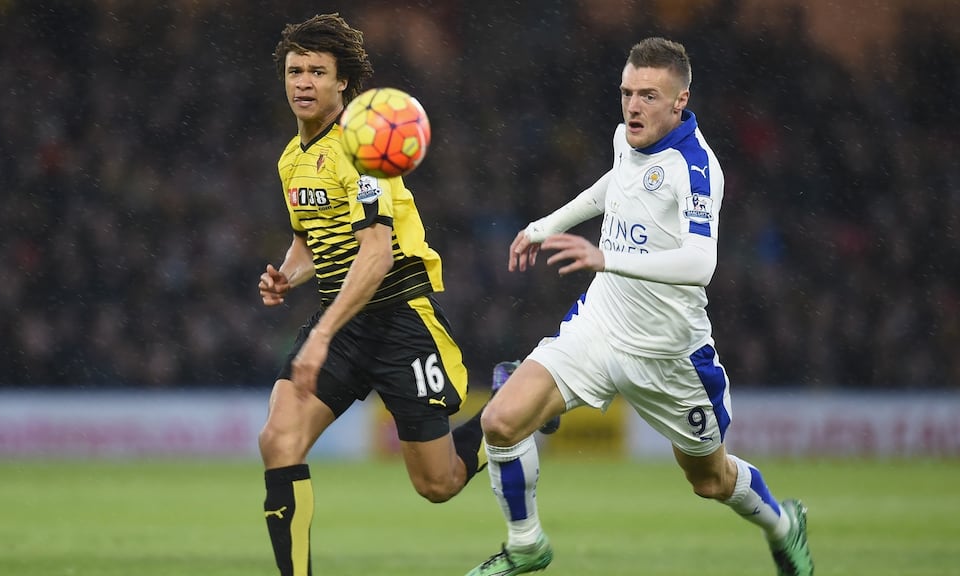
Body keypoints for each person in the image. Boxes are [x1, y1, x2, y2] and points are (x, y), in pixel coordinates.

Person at [465, 37, 814, 576]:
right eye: (627, 93)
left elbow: (701, 264)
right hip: (601, 325)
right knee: (500, 421)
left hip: (670, 354)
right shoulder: (625, 139)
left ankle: (783, 525)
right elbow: (615, 187)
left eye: (649, 95)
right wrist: (546, 226)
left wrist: (607, 258)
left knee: (710, 481)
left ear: (680, 100)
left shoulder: (696, 168)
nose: (633, 106)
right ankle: (526, 543)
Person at [256, 13, 486, 575]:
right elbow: (311, 238)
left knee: (438, 484)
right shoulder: (292, 157)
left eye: (316, 71)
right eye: (294, 71)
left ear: (342, 84)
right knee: (279, 440)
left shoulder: (364, 148)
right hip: (344, 316)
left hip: (399, 318)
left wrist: (320, 337)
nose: (302, 82)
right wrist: (287, 273)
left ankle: (508, 409)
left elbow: (377, 254)